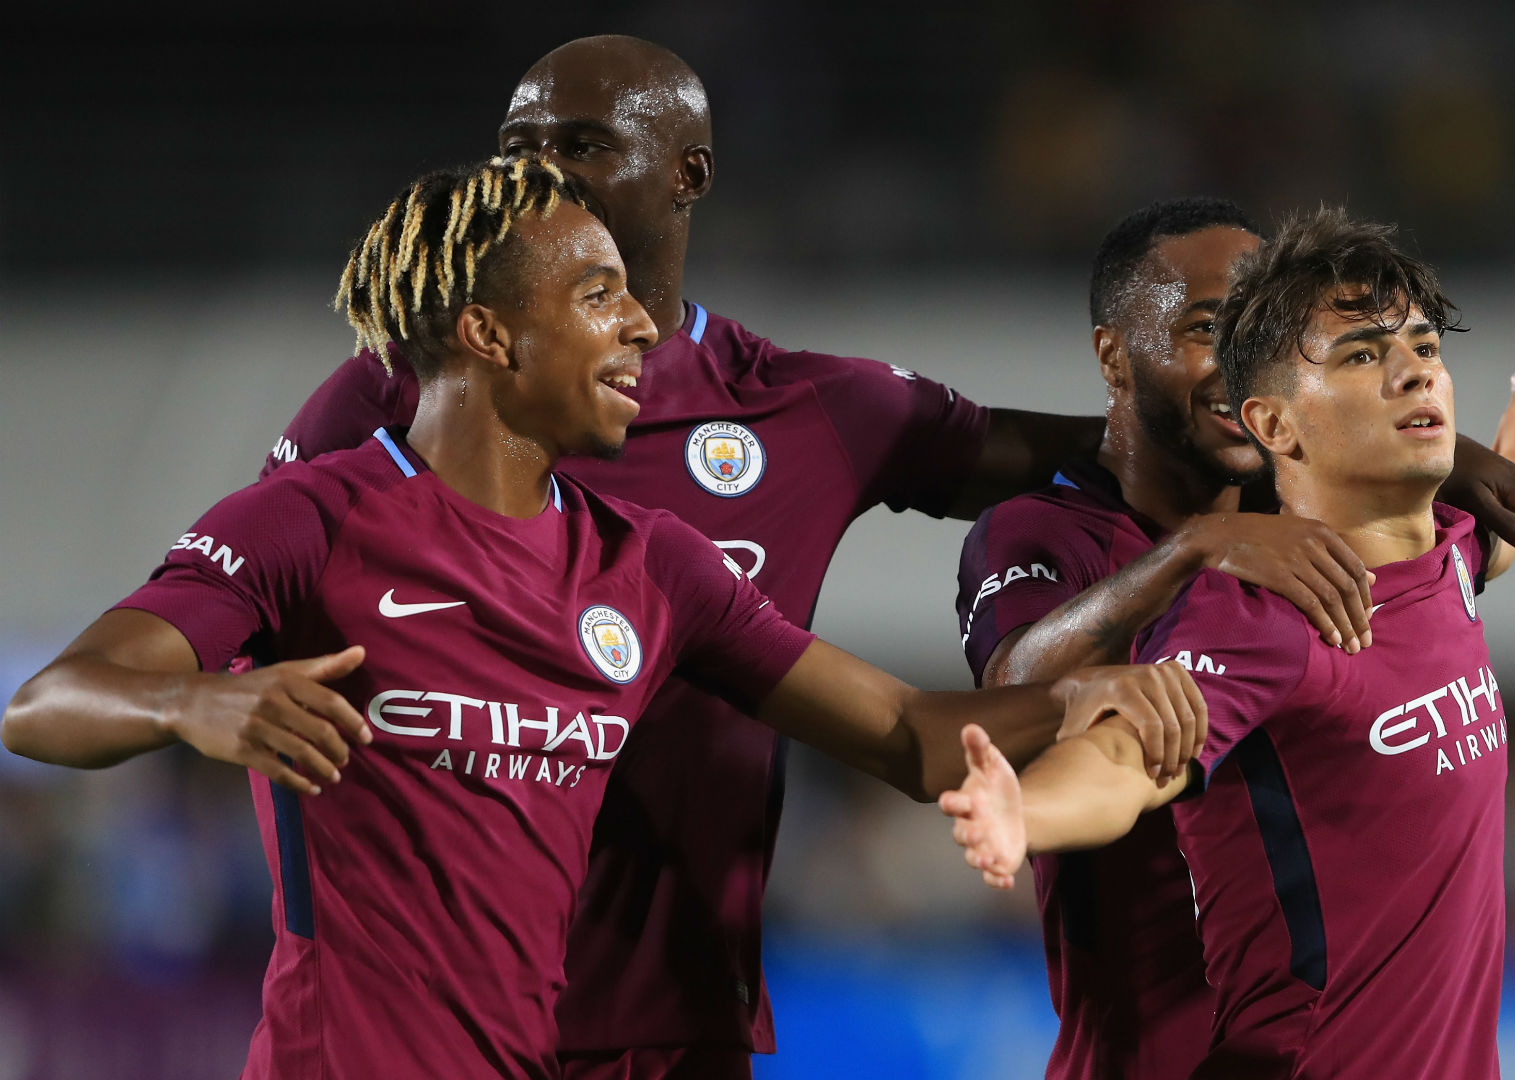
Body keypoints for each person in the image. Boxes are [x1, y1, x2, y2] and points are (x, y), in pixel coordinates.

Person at [264, 36, 1515, 1078]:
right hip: (416, 1013)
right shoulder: (393, 395)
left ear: (689, 175)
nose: (542, 172)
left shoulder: (804, 414)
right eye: (521, 147)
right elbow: (230, 609)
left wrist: (1419, 447)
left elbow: (1111, 483)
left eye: (583, 144)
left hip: (673, 1013)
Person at [0, 157, 1200, 1080]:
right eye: (596, 296)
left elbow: (911, 736)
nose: (640, 326)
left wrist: (1086, 693)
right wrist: (191, 702)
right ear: (489, 333)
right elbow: (45, 704)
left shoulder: (650, 566)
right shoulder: (314, 517)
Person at [955, 197, 1515, 1078]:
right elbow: (1119, 752)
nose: (1416, 373)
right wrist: (1026, 810)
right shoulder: (1253, 604)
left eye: (1426, 350)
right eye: (1210, 329)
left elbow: (1460, 558)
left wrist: (1513, 479)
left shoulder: (1431, 552)